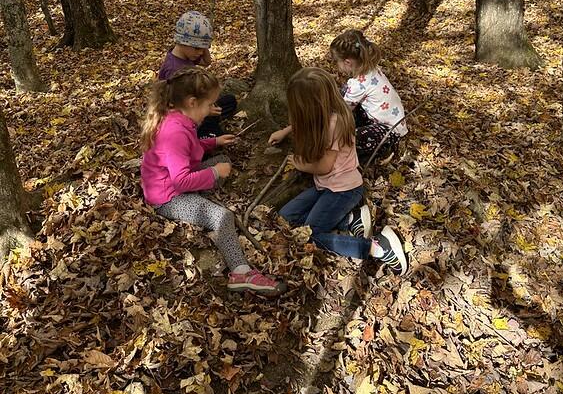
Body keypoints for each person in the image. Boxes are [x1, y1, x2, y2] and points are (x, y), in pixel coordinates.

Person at [141, 67, 286, 296]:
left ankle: (203, 194)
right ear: (191, 102)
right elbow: (180, 181)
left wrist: (214, 142)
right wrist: (215, 174)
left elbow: (191, 149)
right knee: (223, 216)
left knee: (222, 159)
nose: (212, 109)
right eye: (209, 105)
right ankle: (241, 272)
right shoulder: (175, 131)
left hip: (176, 179)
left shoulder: (179, 120)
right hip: (168, 196)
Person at [268, 68, 409, 274]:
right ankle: (350, 219)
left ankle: (377, 247)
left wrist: (299, 164)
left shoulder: (333, 125)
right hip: (327, 187)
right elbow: (305, 124)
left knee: (310, 234)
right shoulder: (327, 115)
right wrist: (285, 131)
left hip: (343, 190)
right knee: (286, 216)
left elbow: (324, 167)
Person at [329, 29, 408, 163]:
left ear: (347, 62)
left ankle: (383, 151)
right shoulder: (371, 68)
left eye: (337, 62)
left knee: (352, 140)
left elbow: (342, 111)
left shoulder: (358, 85)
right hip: (389, 123)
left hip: (389, 132)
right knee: (344, 92)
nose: (337, 66)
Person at [158, 10, 237, 137]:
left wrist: (202, 47)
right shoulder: (174, 70)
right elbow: (175, 108)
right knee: (213, 131)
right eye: (197, 48)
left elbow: (207, 62)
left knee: (229, 101)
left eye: (203, 48)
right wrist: (205, 111)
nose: (200, 52)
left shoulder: (187, 55)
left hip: (196, 104)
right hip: (182, 116)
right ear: (182, 42)